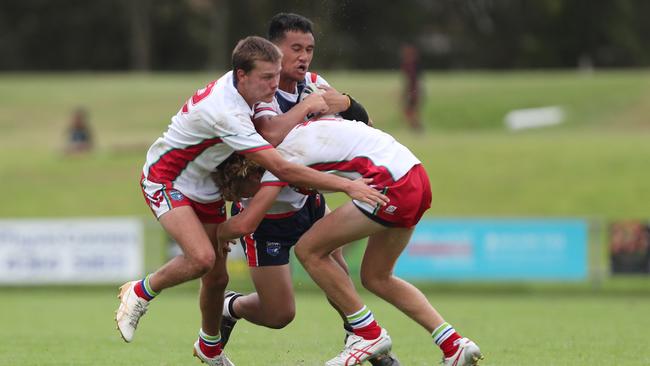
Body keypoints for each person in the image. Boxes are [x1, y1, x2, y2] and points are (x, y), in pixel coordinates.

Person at [114, 36, 388, 366]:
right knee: (201, 259)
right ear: (241, 75)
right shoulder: (227, 112)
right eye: (266, 78)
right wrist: (347, 187)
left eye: (276, 76)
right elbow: (281, 167)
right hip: (167, 180)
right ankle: (141, 292)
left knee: (217, 279)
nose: (274, 85)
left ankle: (210, 348)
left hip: (208, 187)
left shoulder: (247, 93)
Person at [215, 116, 483, 366]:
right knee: (377, 277)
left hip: (391, 185)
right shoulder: (299, 130)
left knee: (309, 250)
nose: (246, 198)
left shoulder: (280, 163)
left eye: (242, 193)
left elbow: (247, 222)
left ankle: (368, 334)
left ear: (251, 173)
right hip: (415, 174)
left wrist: (214, 236)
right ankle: (454, 344)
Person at [218, 13, 398, 366]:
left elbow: (366, 126)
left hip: (308, 199)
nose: (304, 57)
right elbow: (269, 134)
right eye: (295, 48)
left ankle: (366, 342)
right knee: (279, 314)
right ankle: (230, 306)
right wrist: (306, 108)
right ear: (274, 50)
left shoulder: (313, 82)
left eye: (310, 49)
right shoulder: (258, 89)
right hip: (266, 214)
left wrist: (347, 103)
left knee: (338, 274)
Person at [400, 43, 423, 131]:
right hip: (413, 91)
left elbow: (412, 81)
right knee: (410, 111)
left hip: (413, 91)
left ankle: (417, 129)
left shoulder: (411, 64)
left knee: (409, 111)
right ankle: (416, 128)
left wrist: (411, 93)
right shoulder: (410, 64)